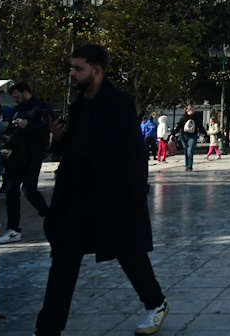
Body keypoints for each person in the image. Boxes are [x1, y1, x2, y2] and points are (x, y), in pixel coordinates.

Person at [35, 44, 168, 335]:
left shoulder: (119, 103)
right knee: (63, 263)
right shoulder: (78, 106)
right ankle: (47, 330)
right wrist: (58, 140)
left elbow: (134, 153)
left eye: (77, 68)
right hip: (77, 199)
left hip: (112, 197)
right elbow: (75, 150)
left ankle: (155, 303)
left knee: (129, 253)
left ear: (96, 71)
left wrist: (132, 197)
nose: (72, 73)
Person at [0, 81, 53, 244]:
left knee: (29, 190)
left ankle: (51, 218)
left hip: (32, 156)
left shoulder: (41, 108)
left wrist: (28, 125)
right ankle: (13, 230)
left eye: (17, 97)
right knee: (11, 192)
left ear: (26, 92)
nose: (16, 100)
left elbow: (47, 128)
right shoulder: (17, 109)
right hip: (16, 157)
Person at [173, 105, 204, 171]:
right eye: (193, 110)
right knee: (186, 150)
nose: (194, 111)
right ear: (189, 110)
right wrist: (172, 134)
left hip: (193, 135)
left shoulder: (196, 117)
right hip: (184, 135)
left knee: (190, 150)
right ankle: (187, 165)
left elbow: (200, 126)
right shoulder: (183, 117)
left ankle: (190, 166)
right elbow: (179, 126)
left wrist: (204, 133)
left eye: (194, 110)